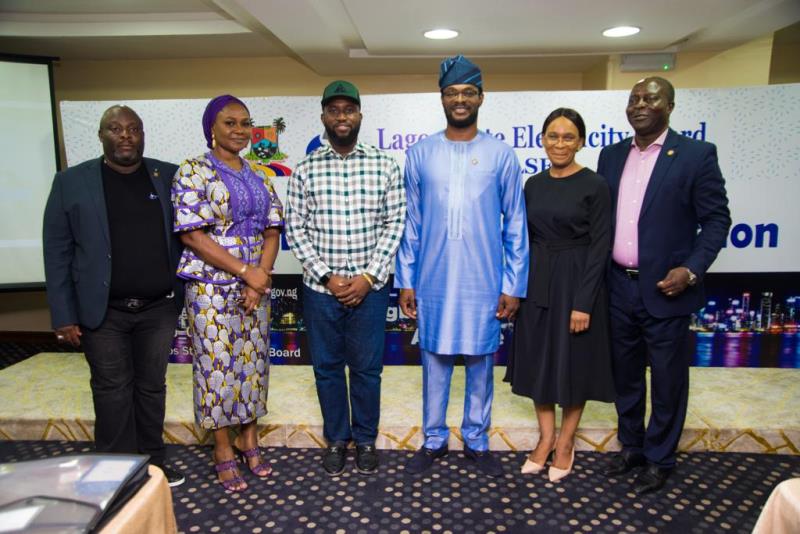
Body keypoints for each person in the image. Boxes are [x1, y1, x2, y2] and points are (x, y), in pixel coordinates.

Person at [396, 56, 529, 477]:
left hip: (484, 277)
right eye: (452, 93)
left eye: (467, 93)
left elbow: (516, 224)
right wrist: (406, 280)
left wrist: (513, 285)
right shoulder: (420, 153)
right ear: (441, 98)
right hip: (432, 277)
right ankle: (434, 438)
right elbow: (411, 223)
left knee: (480, 359)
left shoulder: (501, 154)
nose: (460, 100)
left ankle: (476, 439)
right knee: (434, 357)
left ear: (481, 98)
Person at [598, 77, 731, 494]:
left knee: (669, 379)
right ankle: (632, 446)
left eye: (650, 98)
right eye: (634, 99)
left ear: (669, 106)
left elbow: (716, 221)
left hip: (666, 288)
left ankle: (661, 458)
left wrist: (690, 270)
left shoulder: (695, 155)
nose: (640, 105)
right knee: (626, 376)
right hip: (617, 284)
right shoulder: (611, 155)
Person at [43, 105, 185, 487]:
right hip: (102, 311)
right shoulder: (71, 182)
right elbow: (57, 251)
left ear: (142, 135)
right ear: (101, 135)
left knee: (152, 387)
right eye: (116, 128)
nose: (126, 136)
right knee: (111, 390)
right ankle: (115, 468)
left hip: (158, 307)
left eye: (134, 129)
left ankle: (153, 463)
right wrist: (63, 314)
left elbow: (189, 236)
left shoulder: (169, 176)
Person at [286, 80, 405, 476]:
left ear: (359, 115)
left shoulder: (384, 164)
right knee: (327, 368)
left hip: (370, 290)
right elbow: (296, 228)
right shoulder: (306, 168)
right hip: (321, 290)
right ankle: (337, 439)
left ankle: (366, 439)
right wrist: (328, 276)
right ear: (323, 116)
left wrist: (369, 277)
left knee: (368, 369)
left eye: (349, 110)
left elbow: (395, 222)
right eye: (334, 110)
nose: (342, 117)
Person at [172, 94, 284, 492]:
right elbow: (191, 234)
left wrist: (261, 276)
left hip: (257, 280)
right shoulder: (193, 171)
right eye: (230, 123)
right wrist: (244, 272)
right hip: (210, 286)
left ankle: (248, 437)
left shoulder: (260, 174)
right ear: (212, 128)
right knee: (217, 367)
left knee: (252, 364)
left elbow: (272, 230)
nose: (239, 130)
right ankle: (221, 447)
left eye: (245, 123)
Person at [505, 108, 615, 482]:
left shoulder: (595, 184)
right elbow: (522, 238)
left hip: (577, 279)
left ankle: (566, 443)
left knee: (572, 363)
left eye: (569, 137)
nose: (560, 143)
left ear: (581, 141)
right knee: (538, 360)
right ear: (542, 140)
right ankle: (545, 438)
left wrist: (584, 302)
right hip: (538, 276)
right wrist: (517, 286)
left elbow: (601, 246)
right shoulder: (533, 184)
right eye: (553, 136)